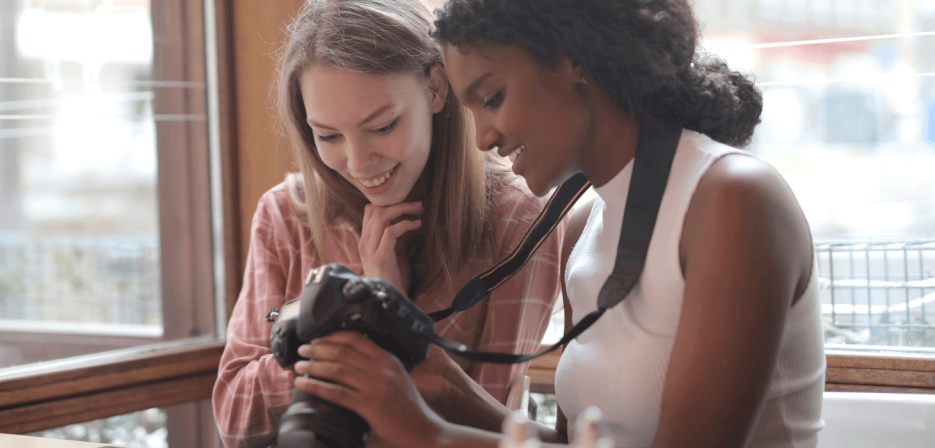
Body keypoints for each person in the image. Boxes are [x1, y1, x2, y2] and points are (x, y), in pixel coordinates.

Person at [287, 0, 826, 448]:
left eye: (493, 98)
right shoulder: (585, 227)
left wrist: (424, 433)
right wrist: (443, 382)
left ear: (574, 60)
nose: (482, 139)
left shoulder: (734, 199)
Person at [211, 0, 566, 446]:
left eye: (382, 127)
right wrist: (362, 317)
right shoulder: (287, 213)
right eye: (329, 136)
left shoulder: (517, 219)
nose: (359, 163)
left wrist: (384, 324)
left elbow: (483, 420)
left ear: (436, 88)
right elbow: (234, 417)